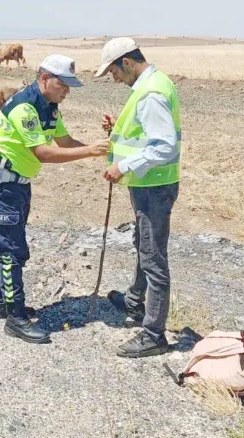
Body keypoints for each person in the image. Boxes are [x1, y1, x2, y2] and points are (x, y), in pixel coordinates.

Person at [0, 54, 109, 344]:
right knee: (12, 251)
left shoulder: (49, 107)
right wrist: (90, 152)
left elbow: (64, 143)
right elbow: (44, 153)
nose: (68, 91)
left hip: (18, 185)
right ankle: (16, 319)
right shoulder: (25, 107)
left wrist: (97, 148)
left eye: (70, 85)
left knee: (7, 246)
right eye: (64, 84)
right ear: (45, 79)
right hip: (2, 186)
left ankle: (2, 303)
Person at [95, 37, 182, 358]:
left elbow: (164, 146)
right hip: (149, 185)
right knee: (143, 245)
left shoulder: (151, 94)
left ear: (127, 63)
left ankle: (153, 333)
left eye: (113, 72)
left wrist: (124, 166)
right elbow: (144, 135)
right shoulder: (151, 86)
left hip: (154, 188)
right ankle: (134, 300)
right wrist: (115, 129)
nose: (113, 78)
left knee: (153, 257)